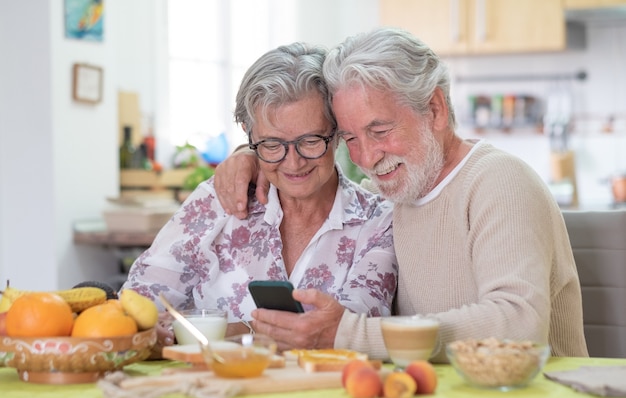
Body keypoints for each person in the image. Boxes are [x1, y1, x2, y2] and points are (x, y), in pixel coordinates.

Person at [213, 27, 589, 362]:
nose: (367, 157)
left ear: (435, 110)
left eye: (379, 131)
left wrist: (348, 334)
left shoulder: (499, 181)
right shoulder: (390, 194)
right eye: (350, 138)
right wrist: (252, 157)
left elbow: (520, 323)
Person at [121, 42, 398, 355]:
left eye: (310, 141)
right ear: (248, 134)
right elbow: (135, 303)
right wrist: (149, 331)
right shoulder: (218, 200)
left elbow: (354, 331)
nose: (293, 163)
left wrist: (233, 331)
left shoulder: (377, 223)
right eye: (271, 144)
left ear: (337, 131)